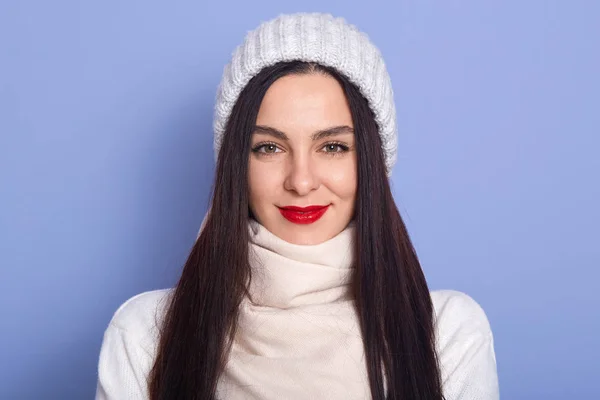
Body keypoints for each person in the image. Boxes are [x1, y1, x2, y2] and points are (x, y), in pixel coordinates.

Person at [95, 12, 499, 400]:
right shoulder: (146, 334)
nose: (301, 181)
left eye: (333, 147)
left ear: (372, 164)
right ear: (237, 164)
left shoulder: (446, 332)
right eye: (269, 147)